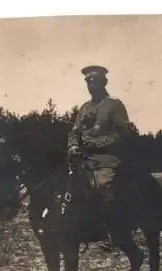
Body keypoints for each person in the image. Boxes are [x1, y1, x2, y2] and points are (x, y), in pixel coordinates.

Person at [67, 65, 132, 249]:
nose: (90, 84)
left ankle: (112, 233)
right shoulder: (84, 108)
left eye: (94, 80)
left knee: (103, 185)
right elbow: (74, 132)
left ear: (104, 82)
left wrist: (95, 145)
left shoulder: (114, 105)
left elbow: (122, 135)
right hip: (82, 160)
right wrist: (72, 146)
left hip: (106, 159)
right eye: (87, 81)